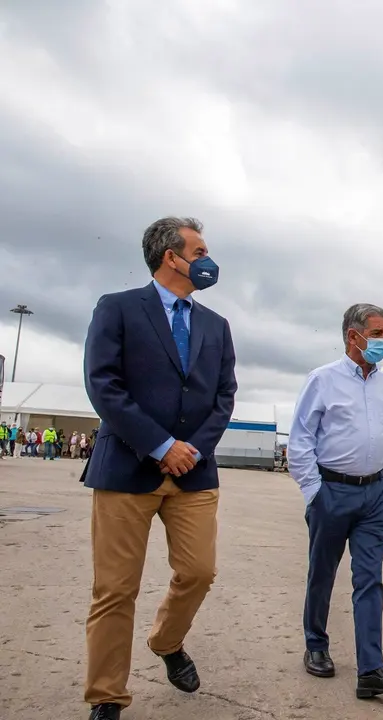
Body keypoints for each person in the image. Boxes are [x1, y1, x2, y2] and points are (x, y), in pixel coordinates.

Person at [81, 217, 236, 720]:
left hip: (194, 473)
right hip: (126, 469)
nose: (208, 260)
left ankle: (167, 642)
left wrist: (191, 450)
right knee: (115, 590)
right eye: (200, 251)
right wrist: (161, 445)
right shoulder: (118, 308)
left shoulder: (216, 325)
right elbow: (103, 385)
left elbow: (224, 396)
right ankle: (107, 696)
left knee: (199, 572)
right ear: (172, 256)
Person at [288, 303, 383, 700]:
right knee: (322, 573)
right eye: (377, 334)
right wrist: (314, 492)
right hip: (332, 492)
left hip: (377, 495)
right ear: (353, 336)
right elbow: (300, 440)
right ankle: (316, 645)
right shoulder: (322, 380)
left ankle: (371, 670)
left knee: (369, 578)